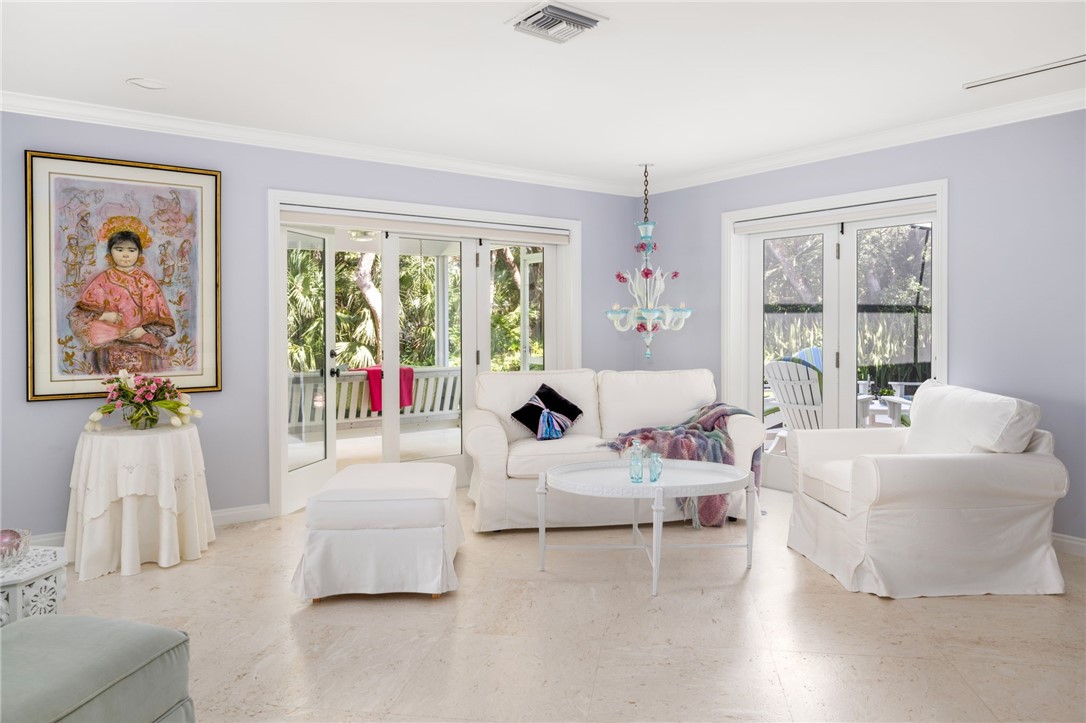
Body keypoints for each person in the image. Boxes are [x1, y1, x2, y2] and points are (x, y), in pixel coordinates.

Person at [68, 216, 176, 374]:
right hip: (109, 345)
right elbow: (78, 314)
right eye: (119, 249)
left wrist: (145, 330)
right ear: (110, 252)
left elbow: (161, 318)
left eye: (131, 250)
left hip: (142, 344)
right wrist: (104, 315)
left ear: (139, 253)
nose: (125, 255)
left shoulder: (146, 281)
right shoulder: (102, 280)